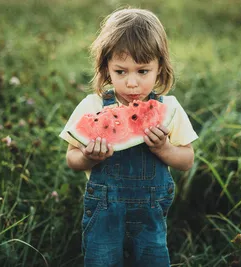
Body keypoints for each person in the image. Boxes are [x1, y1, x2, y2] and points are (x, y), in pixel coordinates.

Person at [59, 7, 198, 267]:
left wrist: (164, 148)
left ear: (160, 68)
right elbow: (72, 159)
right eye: (121, 71)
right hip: (104, 214)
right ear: (106, 69)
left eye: (142, 71)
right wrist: (88, 157)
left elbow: (186, 160)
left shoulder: (170, 108)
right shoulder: (92, 106)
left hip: (149, 219)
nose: (131, 83)